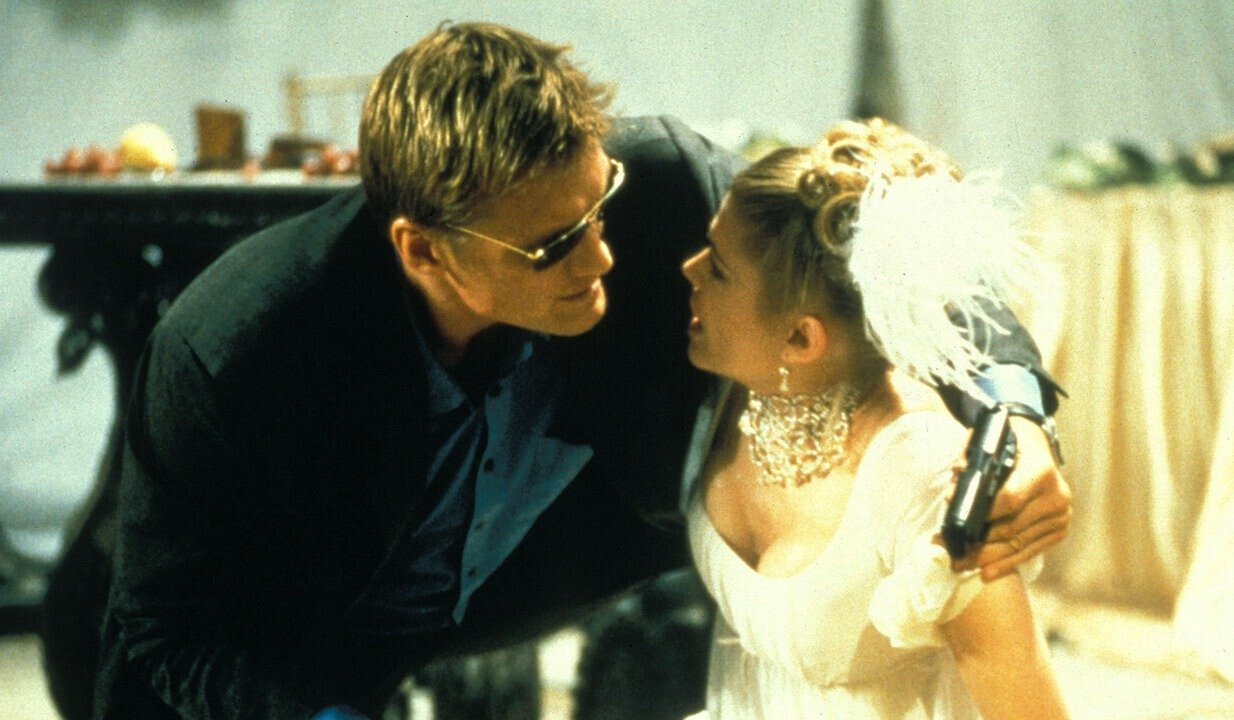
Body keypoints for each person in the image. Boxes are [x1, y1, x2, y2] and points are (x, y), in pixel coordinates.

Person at [87, 23, 1068, 720]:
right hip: (285, 656)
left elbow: (887, 251)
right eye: (554, 244)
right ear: (425, 251)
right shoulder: (234, 351)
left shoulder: (659, 192)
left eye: (599, 205)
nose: (603, 257)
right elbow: (174, 630)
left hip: (545, 586)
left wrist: (1012, 415)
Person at [680, 119, 1069, 719]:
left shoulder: (925, 476)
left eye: (719, 269)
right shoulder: (734, 384)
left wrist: (1021, 420)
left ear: (801, 339)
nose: (689, 269)